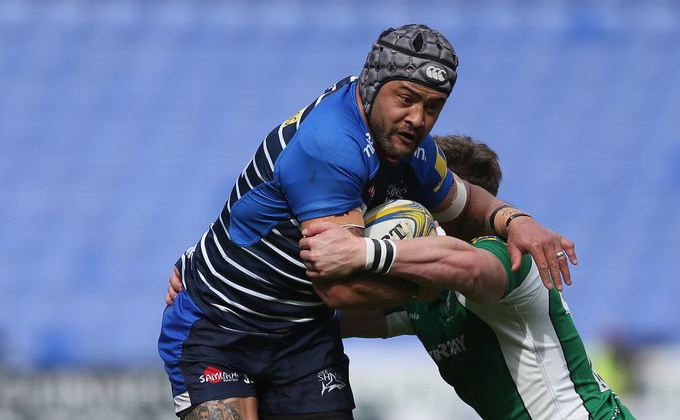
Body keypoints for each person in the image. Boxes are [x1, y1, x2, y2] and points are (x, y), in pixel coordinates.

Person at [159, 24, 576, 420]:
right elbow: (340, 287)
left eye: (433, 107)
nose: (418, 118)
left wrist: (515, 219)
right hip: (220, 327)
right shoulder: (332, 143)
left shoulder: (413, 152)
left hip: (303, 335)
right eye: (407, 98)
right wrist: (426, 281)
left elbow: (468, 208)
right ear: (372, 85)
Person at [299, 135, 635, 420]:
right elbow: (333, 317)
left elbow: (472, 271)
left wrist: (365, 252)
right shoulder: (426, 290)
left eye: (432, 192)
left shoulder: (506, 254)